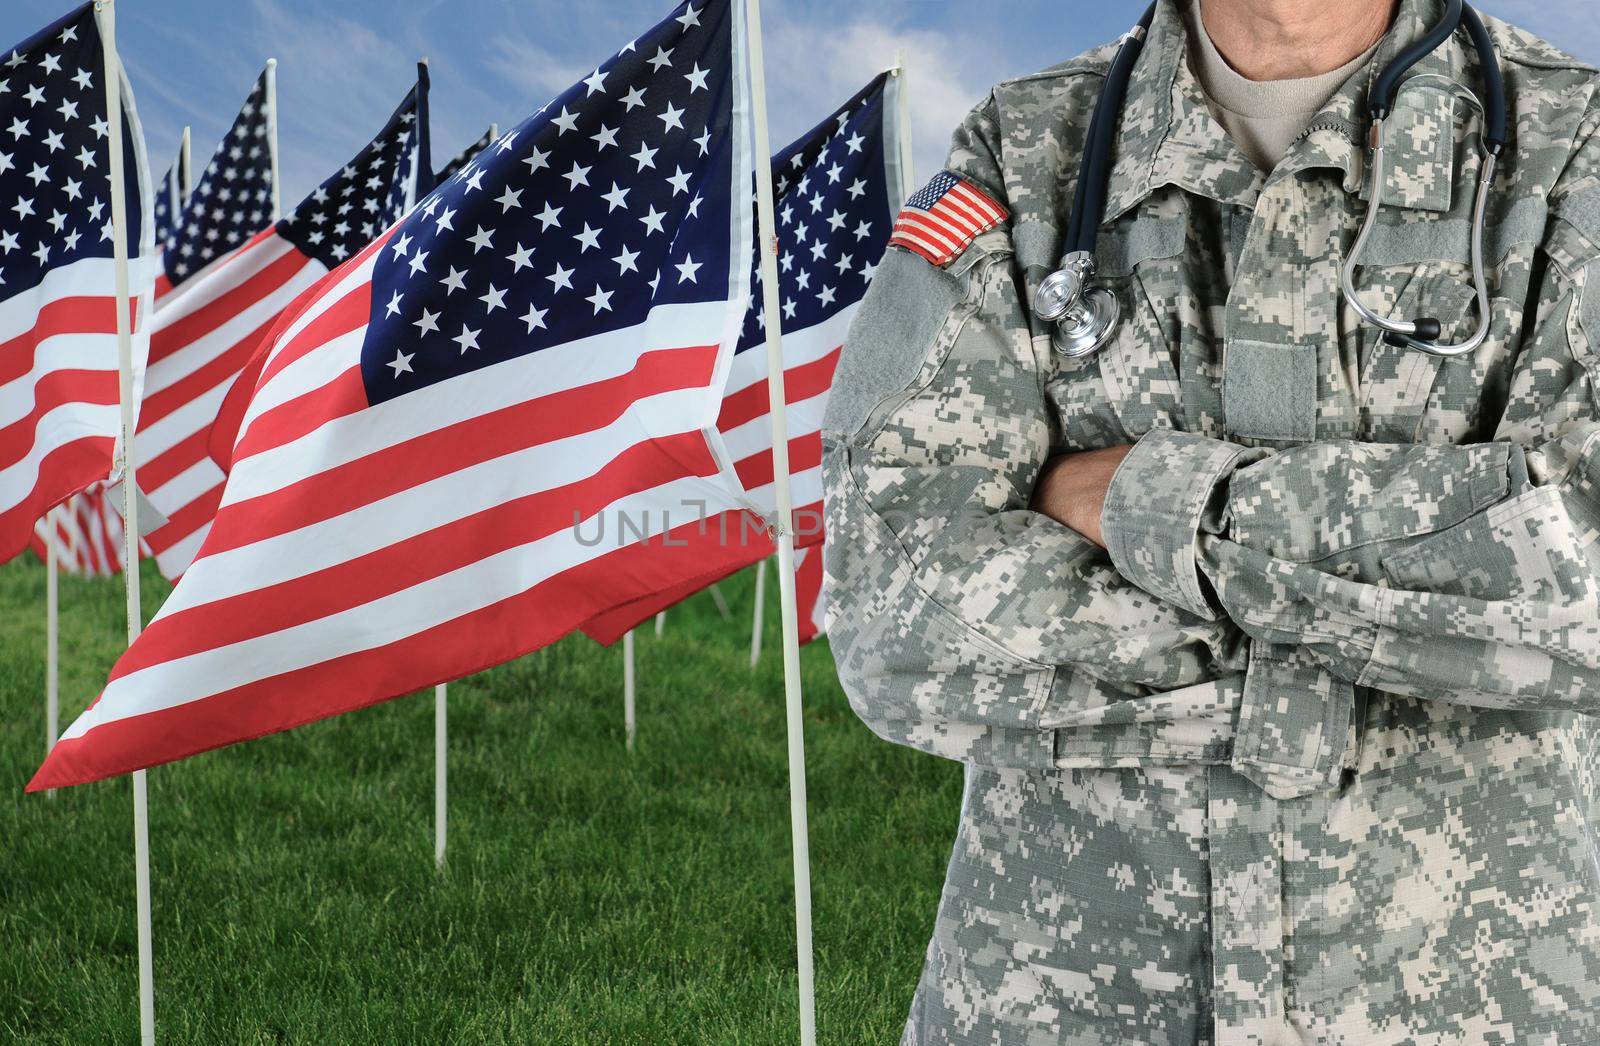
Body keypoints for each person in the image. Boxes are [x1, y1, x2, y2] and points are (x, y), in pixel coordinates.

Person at [821, 0, 1600, 1041]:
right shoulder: (1023, 153)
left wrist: (1161, 505)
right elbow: (888, 609)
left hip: (1476, 1004)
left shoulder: (1573, 147)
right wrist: (1422, 631)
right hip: (1059, 1003)